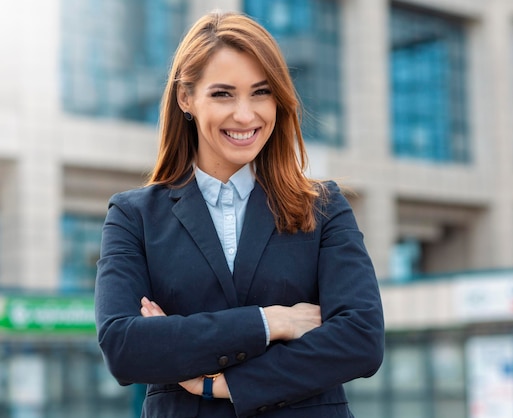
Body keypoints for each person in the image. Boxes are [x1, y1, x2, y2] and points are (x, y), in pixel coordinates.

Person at [95, 10, 384, 418]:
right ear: (186, 98)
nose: (246, 115)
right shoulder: (133, 216)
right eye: (223, 94)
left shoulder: (323, 206)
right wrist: (270, 322)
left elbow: (361, 340)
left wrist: (221, 383)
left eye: (261, 92)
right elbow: (125, 347)